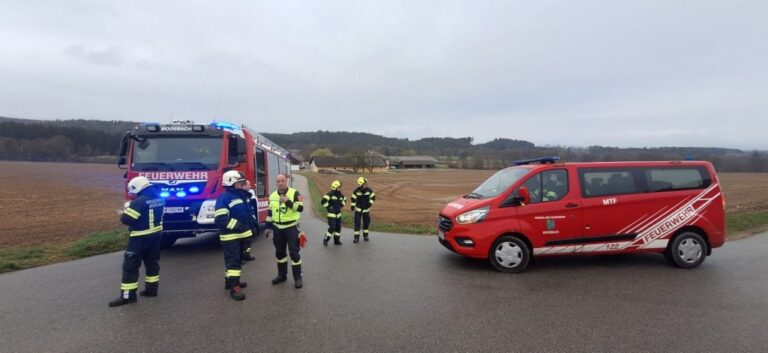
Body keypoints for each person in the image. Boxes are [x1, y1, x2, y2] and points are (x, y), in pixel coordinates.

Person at [109, 176, 165, 307]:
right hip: (155, 236)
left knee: (130, 267)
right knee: (152, 263)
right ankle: (152, 290)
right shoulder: (160, 198)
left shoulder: (138, 202)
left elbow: (127, 220)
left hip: (139, 238)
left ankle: (128, 296)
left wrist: (124, 213)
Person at [214, 171, 258, 301]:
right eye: (239, 182)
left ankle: (230, 282)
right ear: (231, 183)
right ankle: (235, 289)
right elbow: (220, 219)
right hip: (231, 237)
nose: (242, 184)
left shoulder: (241, 196)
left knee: (238, 260)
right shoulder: (224, 198)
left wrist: (253, 227)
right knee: (234, 262)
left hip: (242, 236)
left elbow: (248, 215)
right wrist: (237, 225)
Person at [266, 174, 305, 288]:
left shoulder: (294, 193)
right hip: (277, 229)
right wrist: (268, 227)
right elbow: (270, 213)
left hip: (291, 228)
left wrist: (288, 202)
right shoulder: (272, 195)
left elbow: (300, 208)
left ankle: (298, 278)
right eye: (278, 181)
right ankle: (282, 276)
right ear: (276, 183)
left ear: (286, 181)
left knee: (294, 253)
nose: (280, 183)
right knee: (280, 253)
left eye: (282, 180)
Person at [320, 180, 345, 246]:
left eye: (340, 187)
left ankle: (336, 241)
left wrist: (341, 206)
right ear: (335, 187)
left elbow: (344, 200)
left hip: (338, 215)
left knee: (338, 228)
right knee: (332, 227)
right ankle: (326, 239)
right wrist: (329, 207)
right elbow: (323, 201)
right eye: (339, 187)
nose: (340, 188)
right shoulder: (330, 194)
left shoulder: (341, 195)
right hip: (331, 215)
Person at [351, 177, 376, 243]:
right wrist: (352, 206)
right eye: (364, 184)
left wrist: (369, 204)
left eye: (366, 183)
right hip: (358, 210)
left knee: (366, 223)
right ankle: (356, 238)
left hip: (366, 210)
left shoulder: (369, 190)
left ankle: (366, 236)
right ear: (360, 184)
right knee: (357, 224)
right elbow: (353, 199)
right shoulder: (356, 191)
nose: (366, 185)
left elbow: (373, 197)